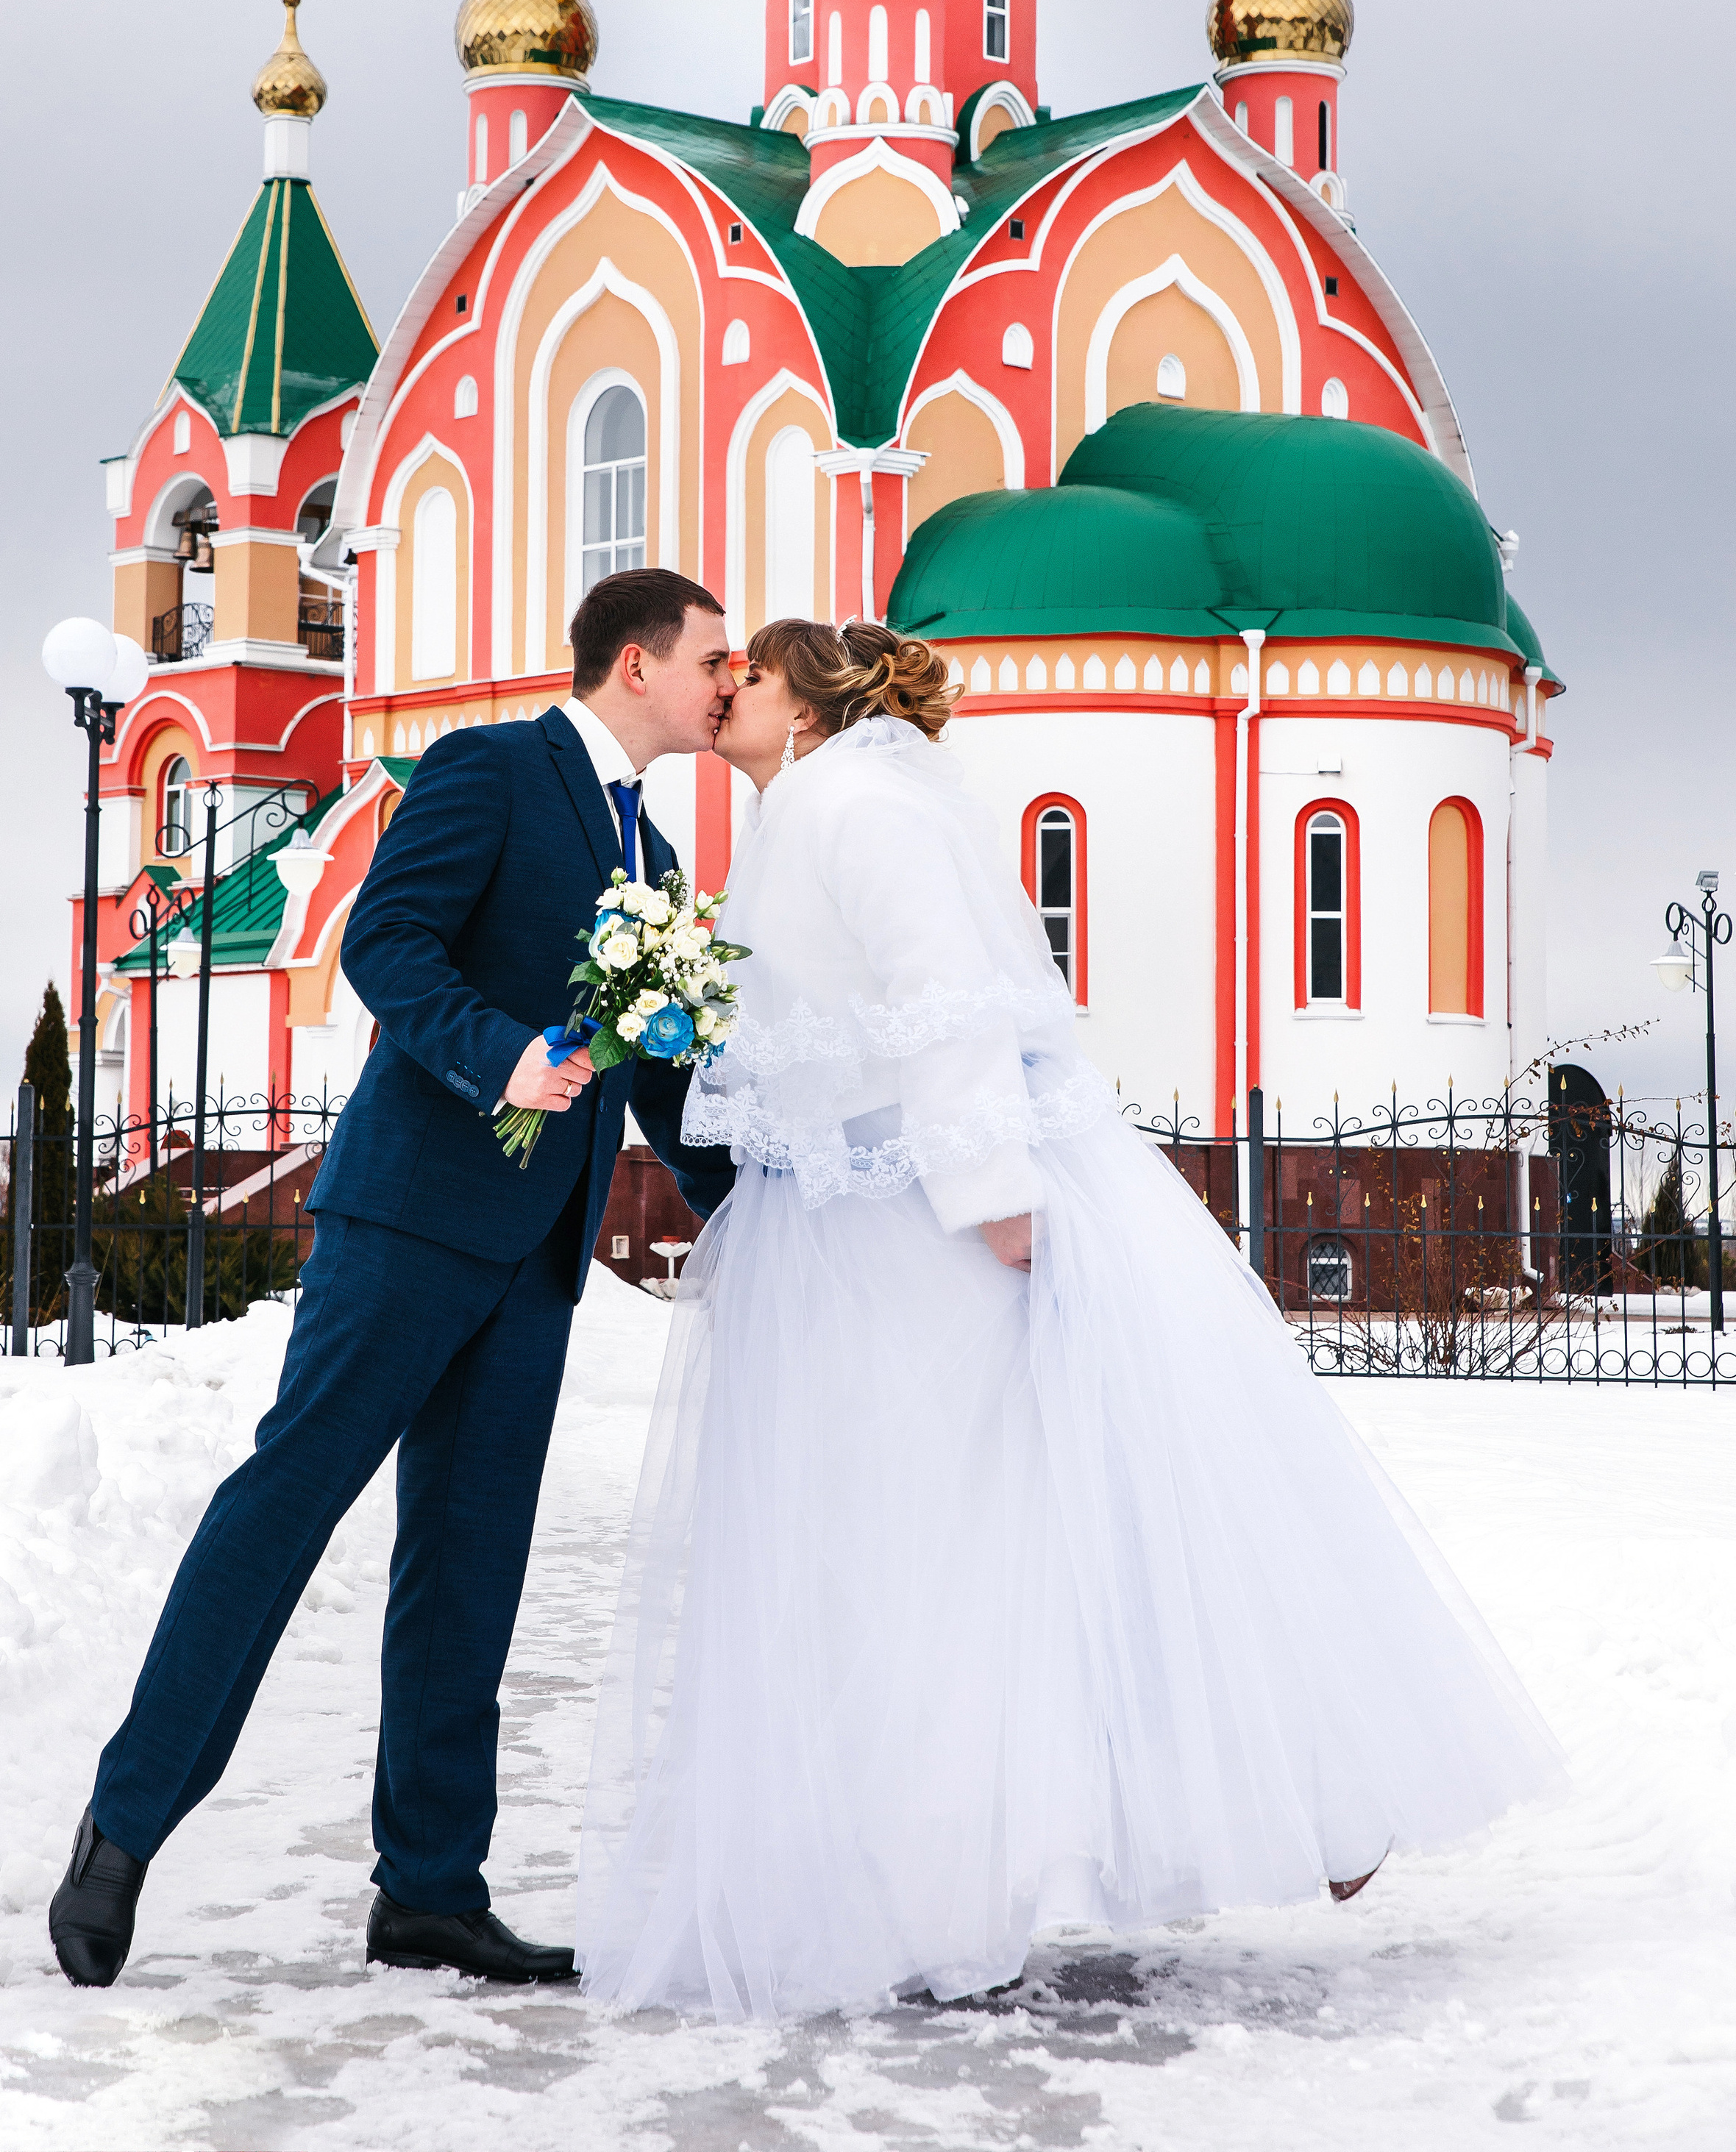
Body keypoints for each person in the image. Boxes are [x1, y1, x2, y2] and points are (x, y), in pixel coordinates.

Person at [575, 618, 1565, 2021]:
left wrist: (992, 1190)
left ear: (806, 702)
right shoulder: (806, 813)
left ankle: (1271, 1797)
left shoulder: (863, 803)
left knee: (989, 1536)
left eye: (751, 670)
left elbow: (946, 1004)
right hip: (854, 1228)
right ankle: (938, 1872)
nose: (726, 687)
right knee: (925, 1549)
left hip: (933, 1227)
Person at [49, 569, 739, 1990]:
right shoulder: (491, 769)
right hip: (410, 1223)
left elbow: (662, 1069)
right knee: (284, 1507)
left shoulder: (655, 859)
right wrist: (502, 1056)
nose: (728, 683)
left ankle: (429, 1888)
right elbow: (384, 945)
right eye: (713, 659)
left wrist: (770, 1198)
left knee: (468, 1567)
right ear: (636, 664)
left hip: (537, 1260)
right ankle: (122, 1828)